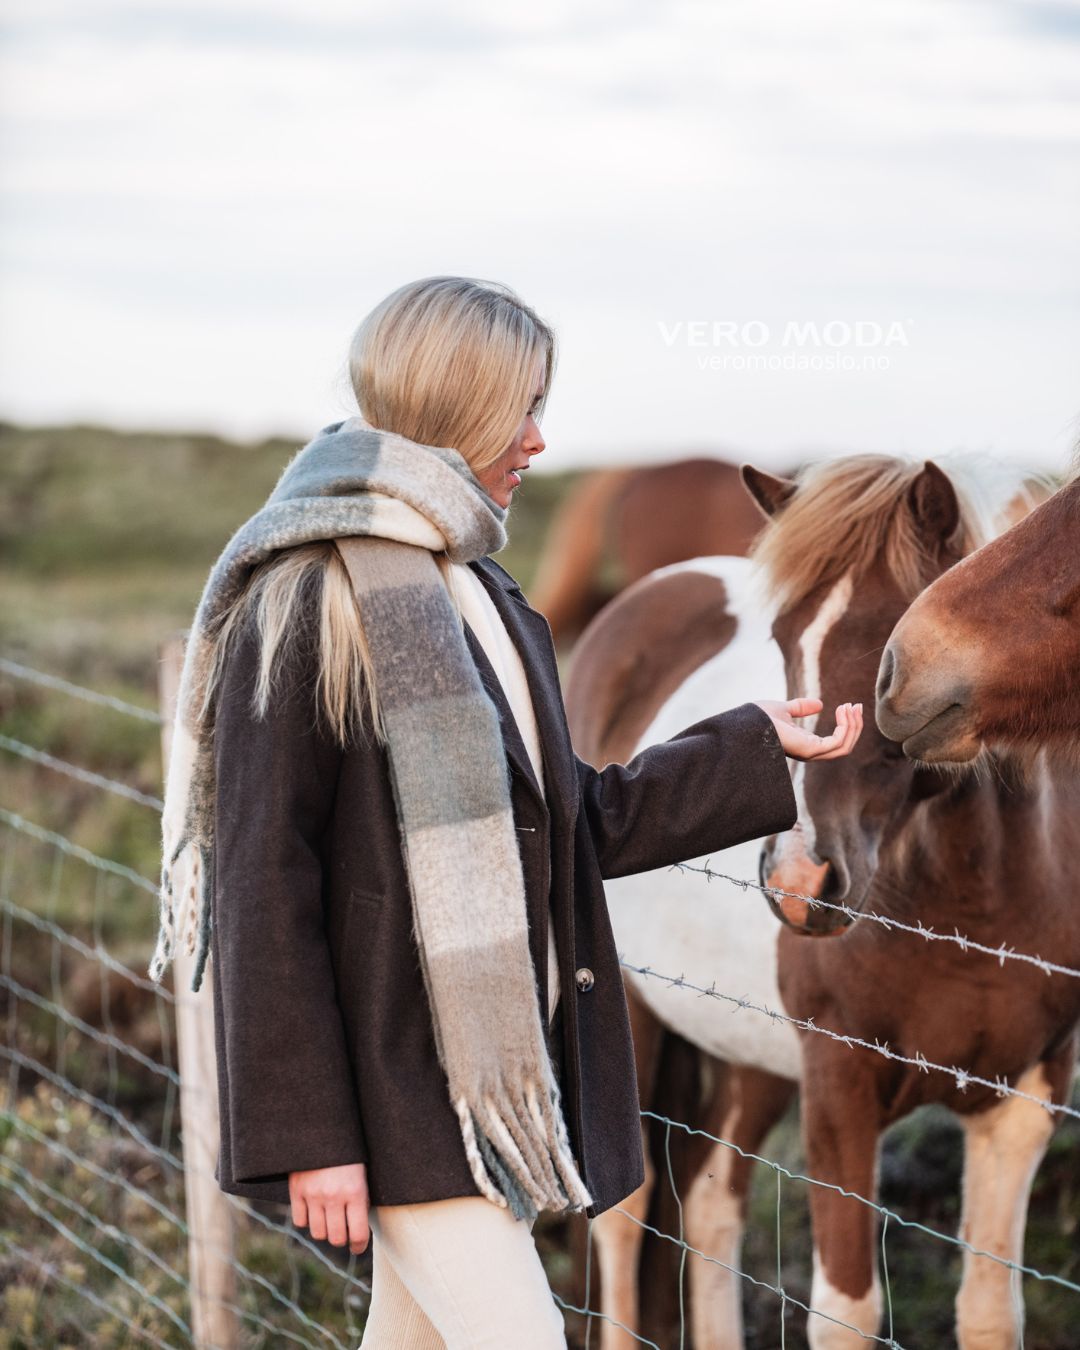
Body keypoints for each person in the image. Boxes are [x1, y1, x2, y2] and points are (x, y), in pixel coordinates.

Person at [150, 275, 863, 1349]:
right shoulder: (303, 599)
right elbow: (265, 885)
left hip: (497, 1077)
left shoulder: (481, 594)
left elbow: (573, 828)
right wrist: (311, 1134)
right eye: (521, 407)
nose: (538, 440)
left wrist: (753, 743)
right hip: (400, 1101)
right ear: (459, 407)